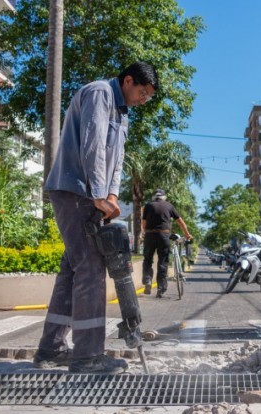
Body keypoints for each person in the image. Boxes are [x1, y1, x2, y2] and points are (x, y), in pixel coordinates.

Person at [35, 62, 159, 373]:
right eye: (142, 93)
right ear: (128, 80)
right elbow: (92, 147)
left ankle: (51, 349)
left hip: (91, 196)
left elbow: (116, 161)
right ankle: (88, 356)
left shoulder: (123, 113)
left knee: (72, 270)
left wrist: (113, 197)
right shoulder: (100, 93)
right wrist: (100, 196)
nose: (144, 100)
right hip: (76, 192)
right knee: (90, 269)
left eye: (148, 97)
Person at [141, 189, 193, 297]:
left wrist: (145, 233)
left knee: (148, 259)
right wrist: (187, 234)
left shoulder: (148, 205)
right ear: (164, 197)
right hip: (164, 236)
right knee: (163, 261)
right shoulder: (169, 206)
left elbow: (144, 223)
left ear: (154, 197)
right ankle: (161, 289)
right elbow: (180, 221)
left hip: (150, 235)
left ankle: (147, 281)